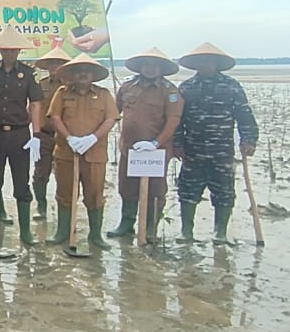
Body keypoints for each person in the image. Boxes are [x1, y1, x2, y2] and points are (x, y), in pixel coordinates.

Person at [174, 42, 258, 245]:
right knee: (187, 192)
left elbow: (244, 116)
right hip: (193, 151)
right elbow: (176, 120)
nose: (205, 65)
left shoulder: (231, 86)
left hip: (222, 152)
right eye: (201, 61)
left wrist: (249, 140)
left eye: (209, 61)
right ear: (195, 65)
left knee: (224, 193)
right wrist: (177, 144)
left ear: (217, 64)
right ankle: (186, 232)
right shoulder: (186, 88)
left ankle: (220, 233)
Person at [0, 26, 44, 247]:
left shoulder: (29, 73)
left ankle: (25, 233)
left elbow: (35, 104)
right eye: (5, 50)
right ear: (0, 50)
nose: (9, 53)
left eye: (13, 50)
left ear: (19, 51)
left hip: (19, 135)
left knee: (21, 184)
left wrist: (37, 135)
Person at [107, 47, 183, 242]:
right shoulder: (127, 87)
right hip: (130, 149)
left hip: (156, 150)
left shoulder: (170, 91)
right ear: (140, 67)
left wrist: (156, 143)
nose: (150, 69)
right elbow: (114, 113)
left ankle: (150, 228)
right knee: (127, 186)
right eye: (146, 65)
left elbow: (173, 120)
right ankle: (126, 223)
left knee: (156, 190)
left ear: (161, 68)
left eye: (154, 65)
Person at [47, 53, 121, 248]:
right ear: (72, 74)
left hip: (95, 154)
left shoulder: (104, 95)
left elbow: (110, 119)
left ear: (93, 74)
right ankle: (63, 231)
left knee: (95, 193)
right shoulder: (62, 93)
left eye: (87, 70)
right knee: (65, 193)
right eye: (78, 71)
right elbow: (55, 117)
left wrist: (93, 138)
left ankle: (95, 235)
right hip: (66, 152)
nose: (82, 74)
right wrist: (69, 138)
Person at [31, 46, 71, 221]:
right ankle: (41, 206)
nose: (55, 67)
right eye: (52, 64)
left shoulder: (72, 87)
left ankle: (65, 209)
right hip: (45, 135)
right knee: (40, 173)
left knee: (65, 175)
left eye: (59, 64)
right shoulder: (41, 85)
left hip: (68, 138)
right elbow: (32, 109)